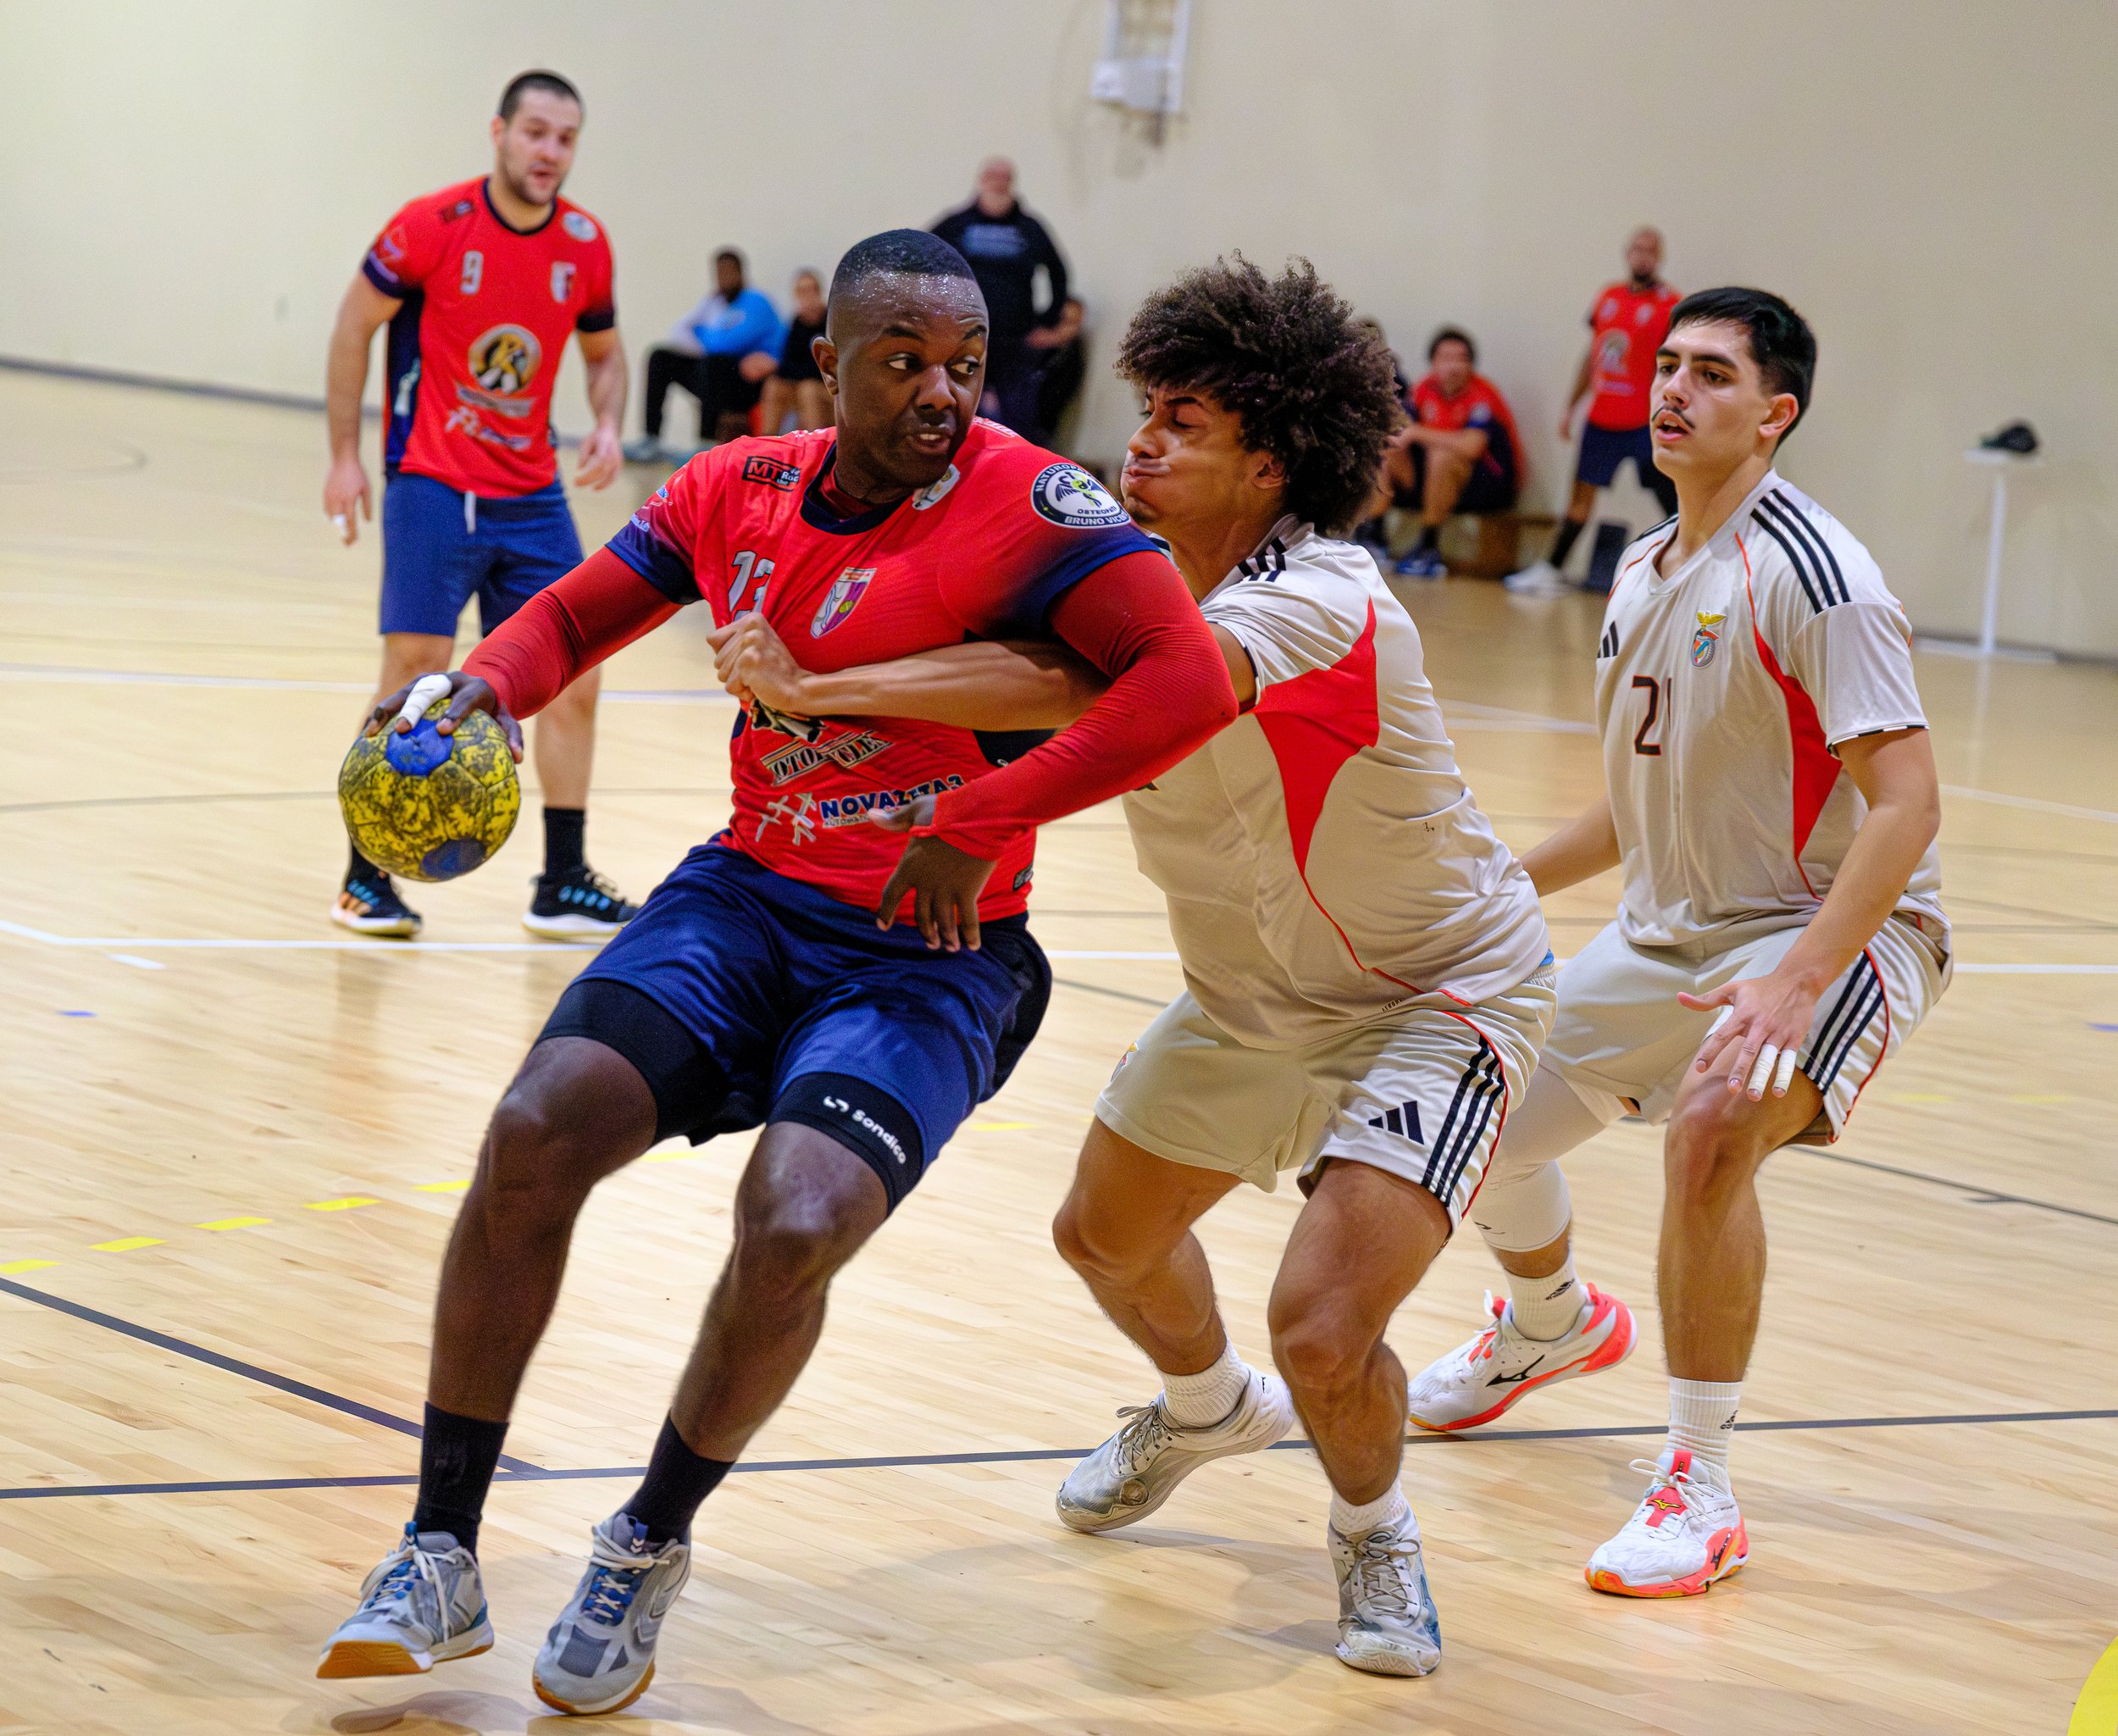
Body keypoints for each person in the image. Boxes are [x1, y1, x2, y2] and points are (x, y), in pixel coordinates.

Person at [313, 230, 1238, 1715]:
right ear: (829, 362)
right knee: (535, 1127)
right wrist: (482, 684)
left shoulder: (1028, 501)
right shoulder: (734, 489)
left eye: (965, 366)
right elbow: (583, 611)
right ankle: (439, 1548)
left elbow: (1183, 680)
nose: (942, 392)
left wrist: (980, 816)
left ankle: (645, 1540)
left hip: (934, 954)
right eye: (904, 362)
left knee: (797, 1216)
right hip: (746, 898)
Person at [717, 258, 1561, 1678]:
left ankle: (1374, 1529)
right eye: (1148, 411)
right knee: (1102, 1235)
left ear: (1270, 464)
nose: (1143, 441)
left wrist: (867, 720)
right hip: (1248, 1002)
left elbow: (1108, 692)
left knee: (1323, 1326)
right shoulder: (1130, 574)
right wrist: (823, 671)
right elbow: (1024, 650)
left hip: (1435, 996)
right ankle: (1208, 1405)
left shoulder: (1324, 593)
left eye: (1184, 422)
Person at [1406, 289, 1949, 1600]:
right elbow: (1630, 804)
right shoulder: (1645, 568)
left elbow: (1907, 805)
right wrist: (1499, 893)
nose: (1672, 390)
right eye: (1666, 366)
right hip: (1666, 936)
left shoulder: (1817, 575)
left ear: (1774, 415)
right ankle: (1549, 1324)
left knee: (1712, 1125)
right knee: (1466, 1106)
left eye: (1711, 373)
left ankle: (1699, 1489)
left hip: (1834, 929)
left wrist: (1797, 981)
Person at [321, 69, 638, 940]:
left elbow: (605, 354)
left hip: (531, 491)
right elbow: (353, 327)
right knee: (417, 669)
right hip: (433, 478)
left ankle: (562, 880)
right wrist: (344, 457)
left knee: (575, 671)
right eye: (535, 133)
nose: (550, 152)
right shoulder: (431, 224)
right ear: (499, 133)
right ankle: (363, 880)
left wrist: (608, 422)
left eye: (565, 139)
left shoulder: (584, 243)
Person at [1509, 226, 1680, 596]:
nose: (1643, 256)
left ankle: (1689, 570)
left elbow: (1677, 367)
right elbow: (1594, 355)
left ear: (1660, 257)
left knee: (1672, 500)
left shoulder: (1671, 305)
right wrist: (1572, 406)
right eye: (1637, 249)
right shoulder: (1608, 297)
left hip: (1645, 422)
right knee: (1579, 500)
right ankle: (1552, 569)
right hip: (1602, 419)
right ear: (1627, 253)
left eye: (1651, 250)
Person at [1353, 327, 1523, 580]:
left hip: (1486, 484)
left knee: (1441, 456)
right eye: (1446, 358)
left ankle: (1428, 546)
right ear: (1433, 362)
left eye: (1461, 358)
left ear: (1471, 364)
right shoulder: (1423, 390)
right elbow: (1401, 432)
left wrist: (1418, 433)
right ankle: (1372, 535)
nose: (1453, 366)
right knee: (1387, 452)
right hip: (1433, 481)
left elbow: (1472, 446)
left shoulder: (1483, 395)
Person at [930, 157, 1070, 435]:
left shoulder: (1030, 228)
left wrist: (1049, 321)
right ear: (981, 180)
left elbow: (1058, 272)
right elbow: (923, 260)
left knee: (1018, 413)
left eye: (1004, 177)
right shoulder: (956, 224)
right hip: (964, 335)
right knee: (961, 406)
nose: (998, 183)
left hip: (1015, 338)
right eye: (992, 176)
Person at [624, 248, 785, 461]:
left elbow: (725, 344)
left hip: (750, 386)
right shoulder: (716, 305)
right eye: (719, 273)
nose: (723, 278)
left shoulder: (756, 302)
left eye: (728, 272)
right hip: (717, 380)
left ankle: (706, 442)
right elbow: (679, 331)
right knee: (661, 357)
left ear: (740, 273)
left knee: (713, 362)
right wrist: (706, 316)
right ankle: (651, 438)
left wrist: (701, 332)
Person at [757, 267, 831, 435]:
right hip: (802, 385)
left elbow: (827, 368)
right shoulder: (798, 324)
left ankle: (816, 444)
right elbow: (787, 365)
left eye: (811, 290)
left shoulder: (832, 322)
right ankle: (768, 441)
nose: (808, 297)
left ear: (819, 292)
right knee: (774, 385)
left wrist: (799, 373)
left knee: (808, 389)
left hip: (828, 390)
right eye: (802, 292)